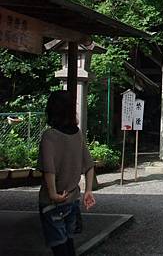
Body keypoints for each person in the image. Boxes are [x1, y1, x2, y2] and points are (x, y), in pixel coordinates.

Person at [38, 90, 96, 256]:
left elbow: (49, 168)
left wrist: (53, 193)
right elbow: (90, 165)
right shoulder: (77, 134)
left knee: (59, 247)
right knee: (68, 243)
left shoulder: (49, 136)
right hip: (72, 199)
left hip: (52, 202)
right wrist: (88, 191)